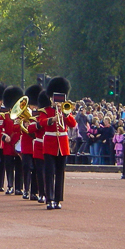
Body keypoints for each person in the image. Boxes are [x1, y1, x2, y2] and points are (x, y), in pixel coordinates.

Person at [38, 77, 77, 210]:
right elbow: (41, 122)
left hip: (63, 145)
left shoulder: (66, 110)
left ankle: (58, 199)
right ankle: (49, 199)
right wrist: (52, 119)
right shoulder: (45, 111)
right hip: (49, 144)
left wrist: (65, 114)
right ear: (51, 98)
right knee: (49, 172)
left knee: (60, 172)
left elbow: (73, 124)